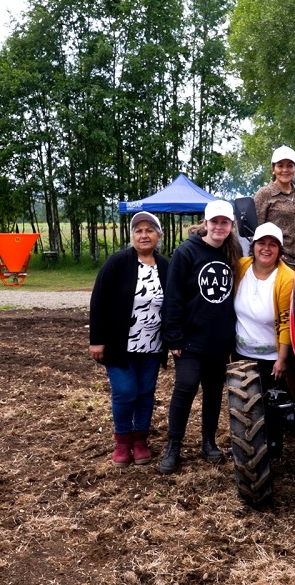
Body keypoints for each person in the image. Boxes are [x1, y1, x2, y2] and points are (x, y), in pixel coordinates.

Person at [159, 200, 242, 474]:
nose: (219, 227)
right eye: (214, 222)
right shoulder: (186, 252)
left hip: (219, 339)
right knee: (186, 386)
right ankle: (174, 445)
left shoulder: (232, 252)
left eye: (225, 223)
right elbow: (173, 296)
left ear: (231, 226)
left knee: (213, 392)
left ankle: (208, 441)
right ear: (205, 224)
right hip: (190, 339)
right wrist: (174, 336)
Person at [89, 212, 169, 468]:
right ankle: (123, 442)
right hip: (119, 344)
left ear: (158, 235)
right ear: (132, 236)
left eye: (149, 230)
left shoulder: (166, 266)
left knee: (145, 393)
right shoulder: (117, 263)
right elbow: (98, 301)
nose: (144, 235)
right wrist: (96, 340)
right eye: (138, 230)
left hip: (152, 344)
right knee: (125, 392)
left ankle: (140, 440)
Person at [234, 222, 295, 394]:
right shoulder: (241, 267)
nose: (266, 249)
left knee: (275, 408)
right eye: (261, 243)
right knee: (245, 410)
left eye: (273, 244)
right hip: (242, 355)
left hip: (272, 359)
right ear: (253, 245)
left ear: (280, 249)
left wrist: (282, 359)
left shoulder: (287, 278)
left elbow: (286, 321)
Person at [254, 145, 295, 265]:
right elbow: (254, 230)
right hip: (275, 257)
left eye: (290, 166)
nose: (285, 170)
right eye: (280, 166)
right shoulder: (264, 194)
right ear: (273, 169)